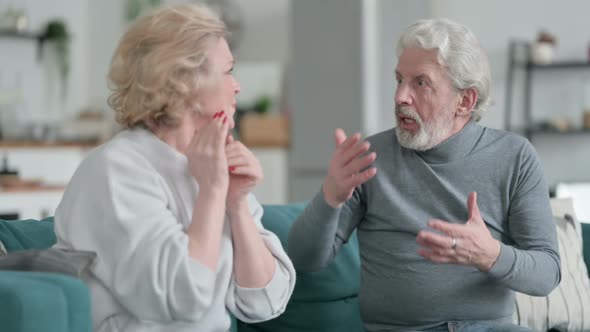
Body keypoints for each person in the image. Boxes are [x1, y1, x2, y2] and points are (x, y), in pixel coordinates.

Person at [288, 18, 560, 332]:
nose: (400, 96)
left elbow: (547, 273)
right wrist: (330, 196)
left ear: (465, 101)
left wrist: (490, 254)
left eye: (420, 82)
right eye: (399, 79)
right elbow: (303, 258)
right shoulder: (368, 157)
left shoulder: (515, 157)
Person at [53, 4, 295, 332]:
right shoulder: (115, 170)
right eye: (227, 71)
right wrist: (211, 191)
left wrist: (236, 205)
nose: (237, 86)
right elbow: (183, 299)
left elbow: (266, 301)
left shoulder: (214, 162)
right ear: (184, 81)